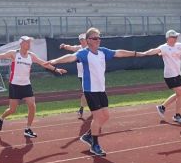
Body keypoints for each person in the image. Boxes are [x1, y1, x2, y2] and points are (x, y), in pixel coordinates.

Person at [47, 27, 145, 156]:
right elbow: (70, 57)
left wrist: (136, 53)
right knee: (98, 117)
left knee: (106, 116)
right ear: (88, 40)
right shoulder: (84, 53)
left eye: (99, 38)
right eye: (95, 38)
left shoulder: (103, 51)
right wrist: (55, 61)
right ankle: (95, 145)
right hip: (90, 90)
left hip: (101, 89)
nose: (98, 40)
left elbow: (119, 52)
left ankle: (88, 135)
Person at [0, 36, 67, 138]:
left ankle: (28, 129)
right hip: (14, 85)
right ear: (21, 43)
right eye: (27, 42)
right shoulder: (14, 54)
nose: (29, 44)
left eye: (29, 42)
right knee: (12, 109)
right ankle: (1, 118)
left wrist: (56, 69)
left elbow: (43, 63)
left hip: (26, 85)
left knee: (32, 105)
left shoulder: (31, 55)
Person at [59, 33, 88, 118]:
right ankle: (81, 109)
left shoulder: (91, 48)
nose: (83, 41)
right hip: (82, 75)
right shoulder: (78, 48)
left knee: (92, 92)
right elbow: (70, 47)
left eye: (84, 39)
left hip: (92, 73)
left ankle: (94, 106)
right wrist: (64, 46)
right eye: (81, 39)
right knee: (86, 92)